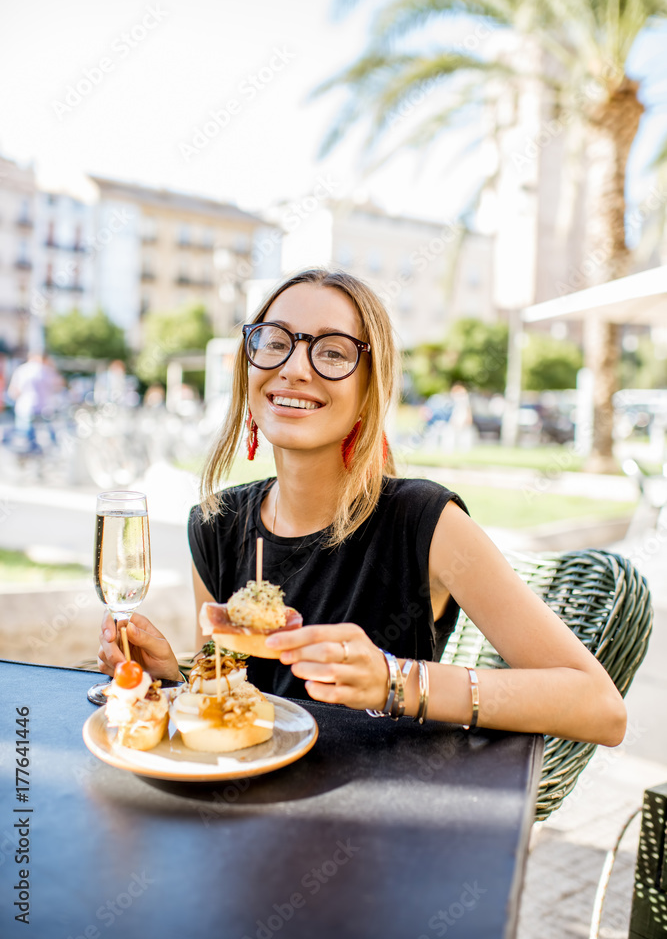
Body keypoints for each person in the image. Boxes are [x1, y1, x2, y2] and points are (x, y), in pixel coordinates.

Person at [98, 268, 626, 745]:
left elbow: (598, 708)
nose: (295, 369)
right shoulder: (216, 525)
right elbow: (232, 702)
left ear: (371, 389)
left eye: (331, 352)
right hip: (248, 825)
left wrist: (393, 681)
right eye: (275, 342)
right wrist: (170, 683)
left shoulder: (424, 521)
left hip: (380, 828)